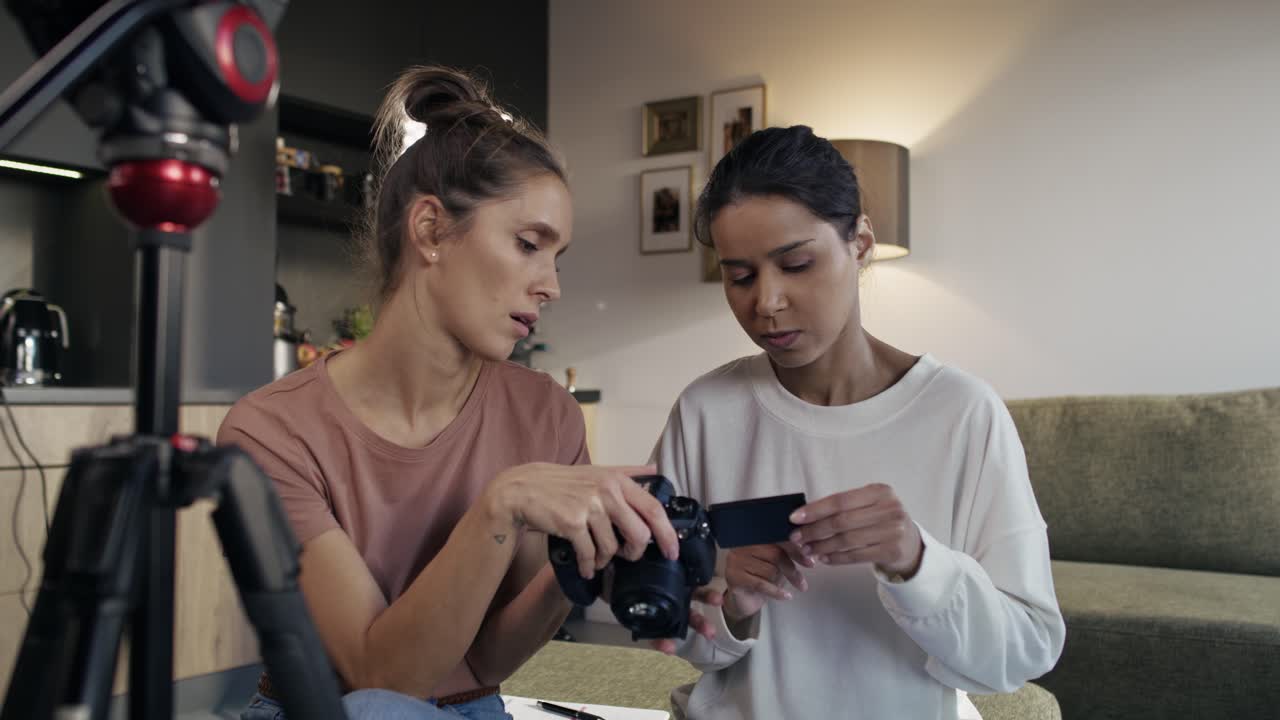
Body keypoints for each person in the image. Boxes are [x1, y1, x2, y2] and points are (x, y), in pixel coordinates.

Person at [217, 66, 685, 720]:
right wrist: (502, 505)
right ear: (432, 230)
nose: (551, 286)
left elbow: (489, 662)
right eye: (528, 244)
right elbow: (382, 678)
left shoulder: (545, 413)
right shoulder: (271, 431)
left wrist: (578, 566)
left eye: (556, 258)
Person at [647, 125, 1066, 719]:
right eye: (739, 276)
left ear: (861, 243)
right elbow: (662, 622)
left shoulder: (962, 414)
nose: (766, 302)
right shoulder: (705, 411)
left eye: (796, 264)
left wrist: (917, 562)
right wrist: (730, 602)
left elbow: (1026, 648)